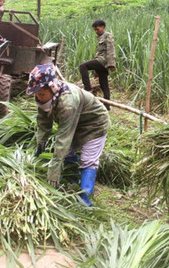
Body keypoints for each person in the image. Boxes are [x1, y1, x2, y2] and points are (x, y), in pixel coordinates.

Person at [27, 63, 110, 206]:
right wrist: (41, 142)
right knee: (68, 152)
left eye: (41, 94)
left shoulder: (67, 103)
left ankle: (84, 201)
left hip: (95, 125)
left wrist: (53, 172)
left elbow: (63, 138)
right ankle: (72, 182)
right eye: (36, 94)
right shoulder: (46, 98)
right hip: (76, 123)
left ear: (52, 88)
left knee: (88, 160)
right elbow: (43, 121)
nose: (39, 98)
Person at [79, 19, 116, 110]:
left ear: (103, 27)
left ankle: (88, 89)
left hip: (102, 61)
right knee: (104, 84)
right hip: (100, 62)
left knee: (83, 66)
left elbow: (111, 50)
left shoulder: (107, 36)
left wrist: (111, 64)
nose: (96, 31)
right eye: (95, 30)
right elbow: (99, 53)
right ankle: (107, 106)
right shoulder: (100, 37)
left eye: (98, 29)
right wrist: (96, 70)